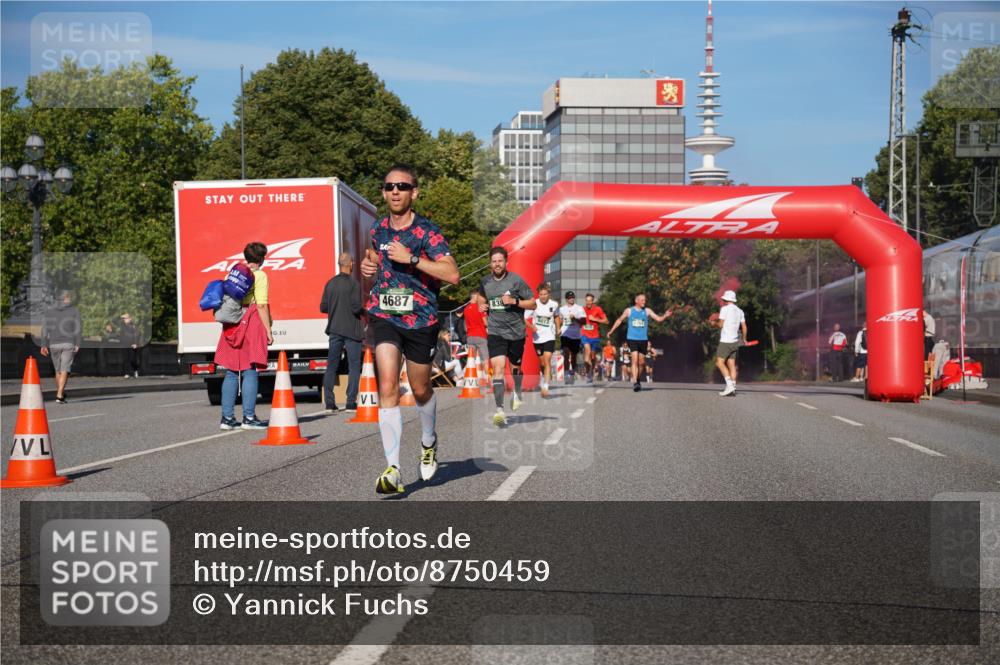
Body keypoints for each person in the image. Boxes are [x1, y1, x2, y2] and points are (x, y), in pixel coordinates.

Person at [360, 164, 459, 494]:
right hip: (385, 315)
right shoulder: (377, 229)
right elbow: (374, 262)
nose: (395, 192)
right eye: (389, 187)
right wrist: (368, 267)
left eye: (402, 186)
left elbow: (452, 275)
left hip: (421, 320)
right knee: (387, 384)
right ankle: (393, 469)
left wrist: (412, 259)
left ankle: (428, 441)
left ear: (414, 192)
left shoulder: (428, 232)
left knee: (420, 390)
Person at [215, 242, 273, 431]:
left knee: (232, 371)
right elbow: (262, 305)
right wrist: (268, 331)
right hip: (251, 321)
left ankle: (227, 417)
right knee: (250, 369)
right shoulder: (260, 275)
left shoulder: (232, 273)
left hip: (232, 323)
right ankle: (248, 417)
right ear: (261, 258)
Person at [479, 246, 535, 427]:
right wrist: (482, 307)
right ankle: (499, 411)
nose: (497, 264)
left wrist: (514, 301)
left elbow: (533, 304)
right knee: (498, 368)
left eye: (500, 261)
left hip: (516, 332)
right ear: (490, 263)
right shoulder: (485, 282)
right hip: (496, 331)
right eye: (494, 261)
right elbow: (481, 298)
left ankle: (517, 391)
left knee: (515, 368)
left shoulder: (516, 281)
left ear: (506, 262)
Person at [320, 252, 365, 413]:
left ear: (340, 264)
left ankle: (330, 403)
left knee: (332, 365)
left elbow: (323, 307)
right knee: (353, 366)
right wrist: (365, 311)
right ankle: (350, 402)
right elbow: (355, 307)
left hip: (334, 329)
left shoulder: (330, 284)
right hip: (352, 330)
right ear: (350, 264)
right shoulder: (354, 284)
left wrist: (335, 306)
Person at [607, 293, 672, 392]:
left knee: (641, 362)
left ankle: (636, 377)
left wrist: (665, 315)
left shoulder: (647, 311)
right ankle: (635, 382)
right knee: (634, 360)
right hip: (632, 339)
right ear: (636, 301)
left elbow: (658, 319)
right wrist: (611, 331)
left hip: (643, 340)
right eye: (642, 300)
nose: (644, 302)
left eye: (645, 300)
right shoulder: (629, 311)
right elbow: (619, 320)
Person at [40, 290, 82, 404]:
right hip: (68, 343)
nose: (70, 300)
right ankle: (59, 394)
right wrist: (78, 343)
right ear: (65, 299)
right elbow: (78, 328)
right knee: (65, 369)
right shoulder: (74, 311)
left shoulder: (49, 311)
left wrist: (43, 345)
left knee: (58, 370)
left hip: (53, 344)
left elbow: (44, 329)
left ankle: (61, 393)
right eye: (68, 298)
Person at [525, 282, 560, 398]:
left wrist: (558, 328)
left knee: (547, 360)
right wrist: (531, 327)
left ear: (548, 294)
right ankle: (542, 376)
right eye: (541, 294)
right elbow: (523, 318)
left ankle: (545, 386)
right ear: (538, 294)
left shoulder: (554, 304)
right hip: (537, 338)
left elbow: (556, 316)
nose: (543, 296)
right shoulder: (533, 304)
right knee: (542, 363)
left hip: (549, 336)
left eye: (545, 294)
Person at [712, 289, 747, 396]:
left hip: (725, 341)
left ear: (726, 299)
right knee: (731, 364)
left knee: (719, 363)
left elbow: (721, 325)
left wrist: (713, 323)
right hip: (735, 341)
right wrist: (744, 339)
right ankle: (733, 386)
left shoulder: (724, 309)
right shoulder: (740, 311)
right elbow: (744, 327)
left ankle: (729, 385)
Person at [557, 291, 586, 384]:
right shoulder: (562, 309)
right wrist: (558, 327)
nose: (571, 299)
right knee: (566, 354)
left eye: (573, 297)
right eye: (569, 298)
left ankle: (572, 373)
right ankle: (566, 375)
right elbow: (559, 321)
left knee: (573, 356)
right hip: (565, 334)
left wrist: (575, 318)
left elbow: (584, 321)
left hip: (576, 335)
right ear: (566, 299)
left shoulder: (579, 308)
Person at [460, 288, 489, 378]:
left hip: (470, 336)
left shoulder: (466, 309)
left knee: (471, 359)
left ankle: (470, 379)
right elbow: (485, 323)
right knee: (485, 359)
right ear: (476, 296)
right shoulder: (480, 307)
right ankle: (489, 378)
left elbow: (465, 326)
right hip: (480, 335)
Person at [580, 294, 608, 383]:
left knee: (592, 356)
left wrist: (595, 319)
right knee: (587, 352)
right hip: (585, 335)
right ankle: (588, 373)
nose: (588, 302)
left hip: (595, 337)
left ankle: (591, 371)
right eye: (587, 300)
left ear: (593, 301)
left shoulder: (598, 309)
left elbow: (606, 321)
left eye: (590, 300)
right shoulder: (582, 309)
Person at [119, 312, 140, 378]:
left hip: (132, 345)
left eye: (126, 318)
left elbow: (137, 334)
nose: (124, 320)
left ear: (130, 319)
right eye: (124, 319)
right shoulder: (122, 326)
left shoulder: (133, 326)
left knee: (132, 359)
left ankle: (135, 370)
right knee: (125, 359)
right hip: (124, 344)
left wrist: (135, 343)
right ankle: (127, 373)